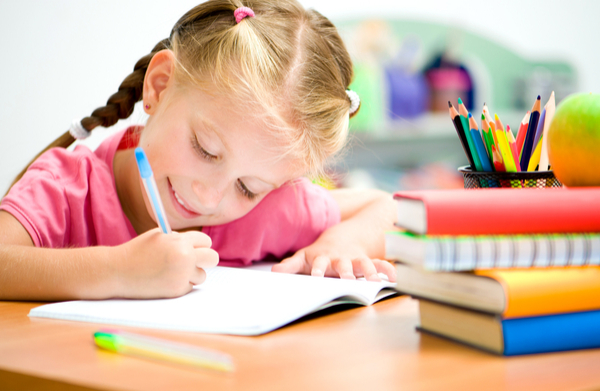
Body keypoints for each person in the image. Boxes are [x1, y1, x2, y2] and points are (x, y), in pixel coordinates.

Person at [0, 0, 397, 301]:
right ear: (158, 86)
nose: (209, 197)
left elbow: (387, 207)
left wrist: (340, 245)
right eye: (205, 150)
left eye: (248, 187)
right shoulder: (65, 189)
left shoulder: (265, 211)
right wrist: (118, 271)